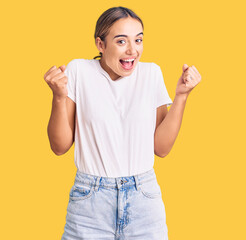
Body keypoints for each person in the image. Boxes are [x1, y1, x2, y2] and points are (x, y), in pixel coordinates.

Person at [43, 6, 201, 240]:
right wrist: (58, 96)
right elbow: (60, 146)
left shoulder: (151, 74)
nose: (132, 50)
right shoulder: (80, 71)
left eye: (138, 40)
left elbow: (161, 148)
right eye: (121, 41)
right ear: (101, 44)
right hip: (90, 203)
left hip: (144, 200)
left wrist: (182, 96)